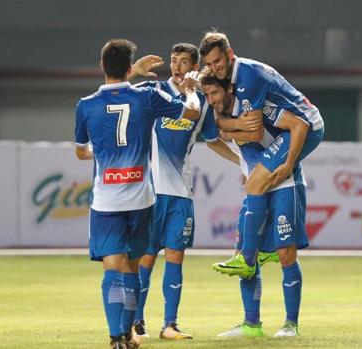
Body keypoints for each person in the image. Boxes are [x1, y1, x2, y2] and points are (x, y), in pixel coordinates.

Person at [74, 38, 200, 349]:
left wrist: (101, 153)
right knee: (132, 269)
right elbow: (192, 113)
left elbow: (81, 153)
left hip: (106, 200)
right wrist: (193, 91)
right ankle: (130, 335)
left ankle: (117, 337)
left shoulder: (86, 105)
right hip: (141, 199)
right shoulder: (148, 97)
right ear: (131, 68)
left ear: (102, 66)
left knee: (111, 268)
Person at [126, 43, 240, 340]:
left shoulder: (200, 101)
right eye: (174, 61)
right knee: (147, 257)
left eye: (184, 62)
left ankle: (170, 325)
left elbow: (213, 140)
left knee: (176, 255)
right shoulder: (154, 91)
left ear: (193, 67)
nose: (176, 66)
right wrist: (132, 72)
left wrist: (242, 163)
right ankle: (137, 323)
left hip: (181, 192)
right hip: (151, 191)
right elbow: (115, 90)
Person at [199, 31, 324, 282]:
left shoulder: (248, 78)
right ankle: (263, 253)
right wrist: (231, 124)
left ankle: (247, 259)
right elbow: (238, 130)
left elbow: (254, 132)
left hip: (304, 127)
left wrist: (225, 125)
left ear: (230, 54)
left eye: (218, 61)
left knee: (254, 184)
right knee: (258, 186)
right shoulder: (236, 80)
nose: (214, 68)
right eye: (209, 64)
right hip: (288, 130)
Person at [199, 71, 310, 337]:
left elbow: (297, 124)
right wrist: (243, 164)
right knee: (245, 256)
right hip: (257, 189)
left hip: (284, 183)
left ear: (229, 90)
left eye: (215, 93)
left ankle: (290, 324)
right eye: (207, 95)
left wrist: (288, 163)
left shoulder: (255, 107)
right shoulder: (220, 117)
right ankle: (251, 325)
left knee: (286, 253)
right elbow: (213, 141)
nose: (211, 99)